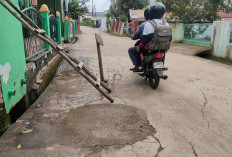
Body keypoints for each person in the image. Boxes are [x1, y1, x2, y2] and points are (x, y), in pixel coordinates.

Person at [128, 7, 150, 72]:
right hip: (160, 47)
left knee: (131, 50)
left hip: (147, 46)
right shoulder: (162, 23)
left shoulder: (144, 25)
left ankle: (138, 66)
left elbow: (136, 36)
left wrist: (131, 36)